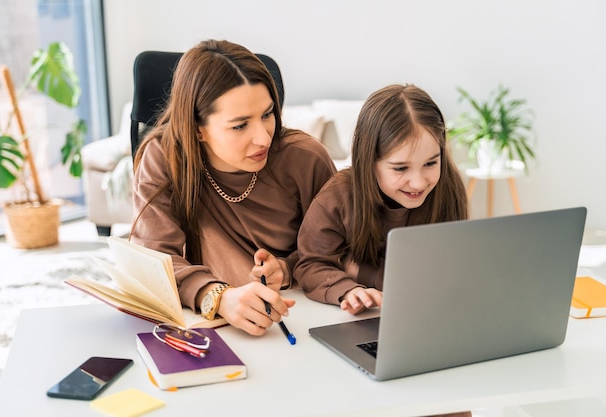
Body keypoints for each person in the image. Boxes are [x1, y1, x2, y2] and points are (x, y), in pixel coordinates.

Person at [130, 39, 336, 335]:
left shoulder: (306, 159)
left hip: (302, 317)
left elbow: (341, 246)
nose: (264, 138)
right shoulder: (163, 157)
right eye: (240, 125)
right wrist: (217, 296)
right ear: (196, 129)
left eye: (267, 115)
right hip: (209, 328)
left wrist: (286, 268)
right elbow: (153, 263)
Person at [294, 84, 469, 315]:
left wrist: (358, 271)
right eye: (400, 168)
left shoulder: (447, 187)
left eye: (430, 163)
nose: (418, 182)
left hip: (428, 313)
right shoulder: (339, 195)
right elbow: (309, 265)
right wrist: (348, 289)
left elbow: (447, 269)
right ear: (369, 162)